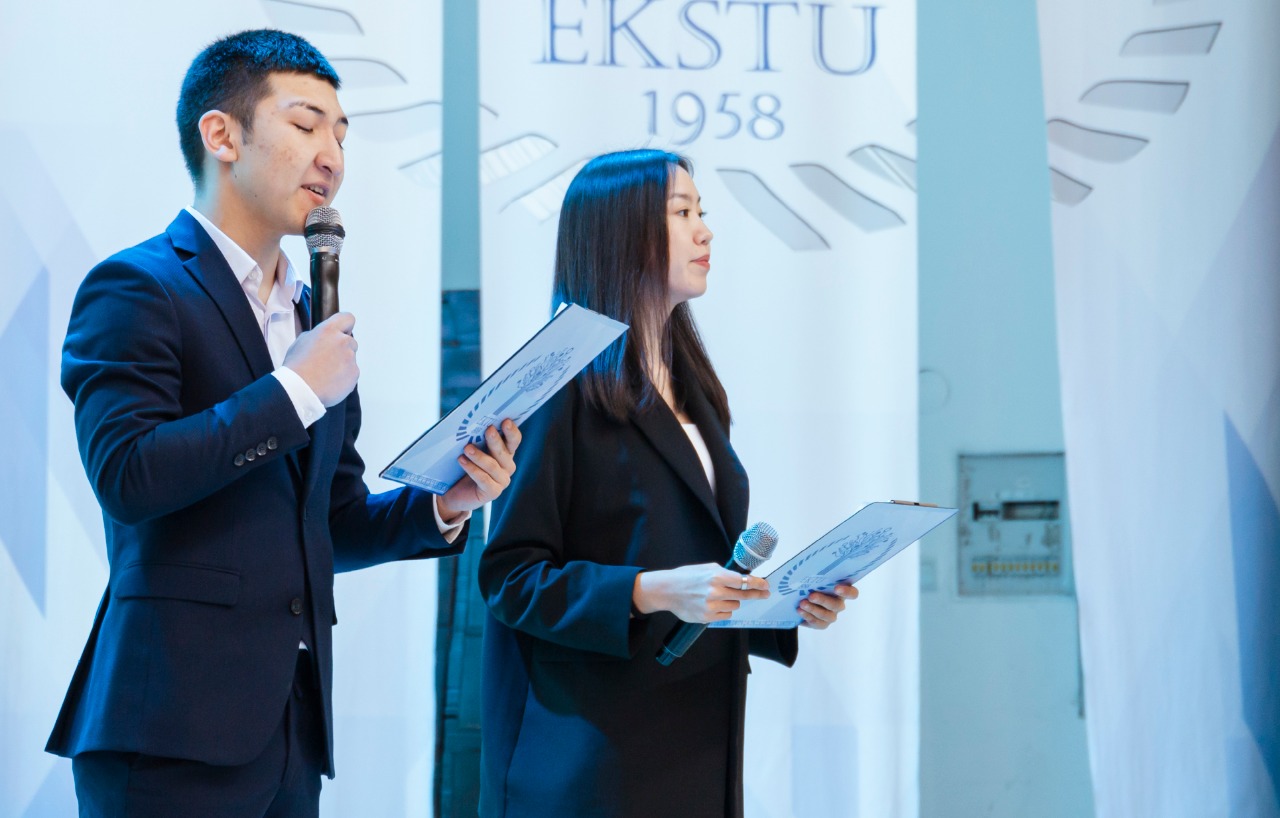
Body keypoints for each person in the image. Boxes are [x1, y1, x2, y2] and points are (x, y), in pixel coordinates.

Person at [45, 29, 521, 816]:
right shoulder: (137, 285)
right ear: (221, 135)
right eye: (305, 125)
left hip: (290, 735)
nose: (331, 156)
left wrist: (445, 502)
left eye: (342, 134)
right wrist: (295, 388)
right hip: (166, 733)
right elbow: (128, 475)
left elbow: (330, 521)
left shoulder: (311, 319)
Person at [477, 149, 858, 817]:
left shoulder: (696, 389)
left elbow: (698, 563)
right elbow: (510, 578)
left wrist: (781, 606)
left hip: (697, 743)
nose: (705, 231)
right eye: (682, 213)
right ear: (618, 232)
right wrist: (648, 591)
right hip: (592, 760)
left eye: (700, 212)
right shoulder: (554, 386)